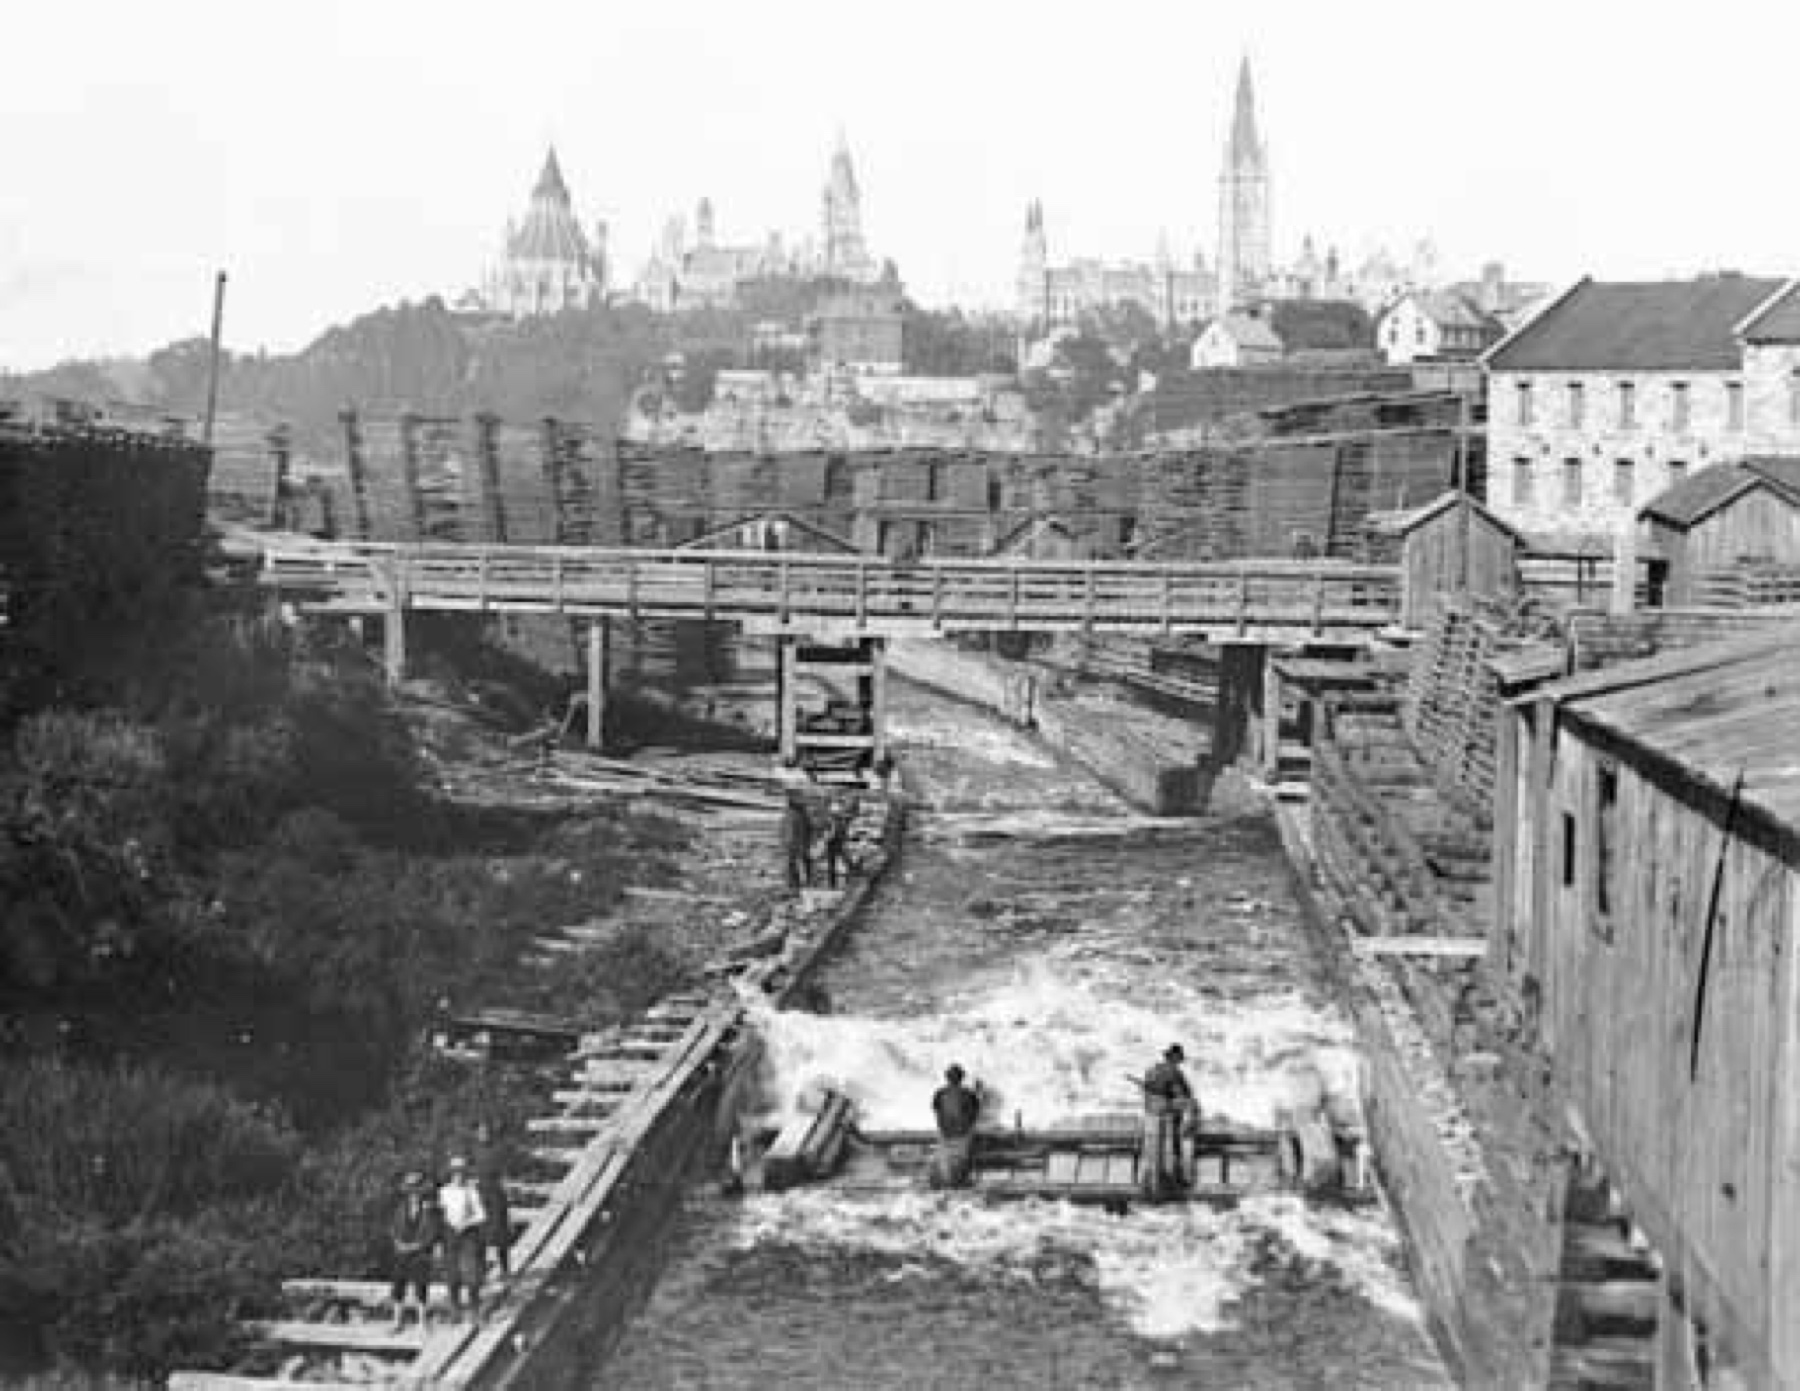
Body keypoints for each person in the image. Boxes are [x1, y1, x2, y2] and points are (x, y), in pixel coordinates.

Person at [1140, 1044, 1198, 1201]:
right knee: (1193, 1105)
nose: (1180, 1061)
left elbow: (1147, 1091)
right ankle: (1188, 1133)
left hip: (1150, 1109)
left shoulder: (1152, 1069)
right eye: (1179, 1058)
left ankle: (1185, 1132)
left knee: (1183, 1107)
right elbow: (1183, 1094)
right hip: (1164, 1109)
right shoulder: (1174, 1072)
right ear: (1175, 1058)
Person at [388, 1171, 440, 1332]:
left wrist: (416, 1246)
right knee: (398, 1285)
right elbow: (393, 1228)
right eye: (411, 1190)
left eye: (417, 1190)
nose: (414, 1193)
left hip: (420, 1253)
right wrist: (398, 1243)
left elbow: (431, 1234)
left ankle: (422, 1322)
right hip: (402, 1252)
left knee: (421, 1286)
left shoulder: (429, 1210)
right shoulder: (400, 1208)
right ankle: (397, 1322)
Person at [439, 1156, 488, 1323]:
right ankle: (455, 1310)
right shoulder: (444, 1191)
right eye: (455, 1173)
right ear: (450, 1174)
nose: (458, 1176)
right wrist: (448, 1224)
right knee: (452, 1274)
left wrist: (467, 1223)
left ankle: (475, 1310)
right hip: (450, 1234)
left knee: (471, 1273)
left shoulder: (471, 1191)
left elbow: (481, 1215)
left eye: (461, 1173)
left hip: (468, 1234)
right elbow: (441, 1214)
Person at [929, 1064, 982, 1189]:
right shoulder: (969, 1094)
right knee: (964, 1155)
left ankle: (943, 1180)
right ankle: (961, 1180)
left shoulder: (940, 1093)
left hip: (944, 1132)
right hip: (963, 1133)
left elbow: (936, 1109)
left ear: (947, 1078)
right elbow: (975, 1112)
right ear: (961, 1078)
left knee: (945, 1158)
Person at [473, 1123, 513, 1282]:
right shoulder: (473, 1150)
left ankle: (505, 1270)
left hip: (496, 1193)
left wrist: (506, 1192)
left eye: (486, 1132)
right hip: (480, 1193)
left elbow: (505, 1173)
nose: (484, 1134)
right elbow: (469, 1171)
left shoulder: (498, 1150)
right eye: (481, 1132)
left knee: (500, 1233)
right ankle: (481, 1272)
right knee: (479, 1234)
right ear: (476, 1134)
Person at [821, 795, 856, 888]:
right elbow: (825, 832)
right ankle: (832, 884)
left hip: (838, 842)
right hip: (833, 843)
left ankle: (846, 882)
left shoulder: (841, 820)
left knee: (845, 863)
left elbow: (844, 831)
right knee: (833, 864)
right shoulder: (830, 821)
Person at [782, 790, 813, 891]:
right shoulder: (794, 814)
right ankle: (795, 884)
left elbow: (808, 828)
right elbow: (789, 830)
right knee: (795, 863)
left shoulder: (798, 813)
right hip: (796, 843)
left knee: (799, 863)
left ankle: (797, 883)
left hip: (798, 842)